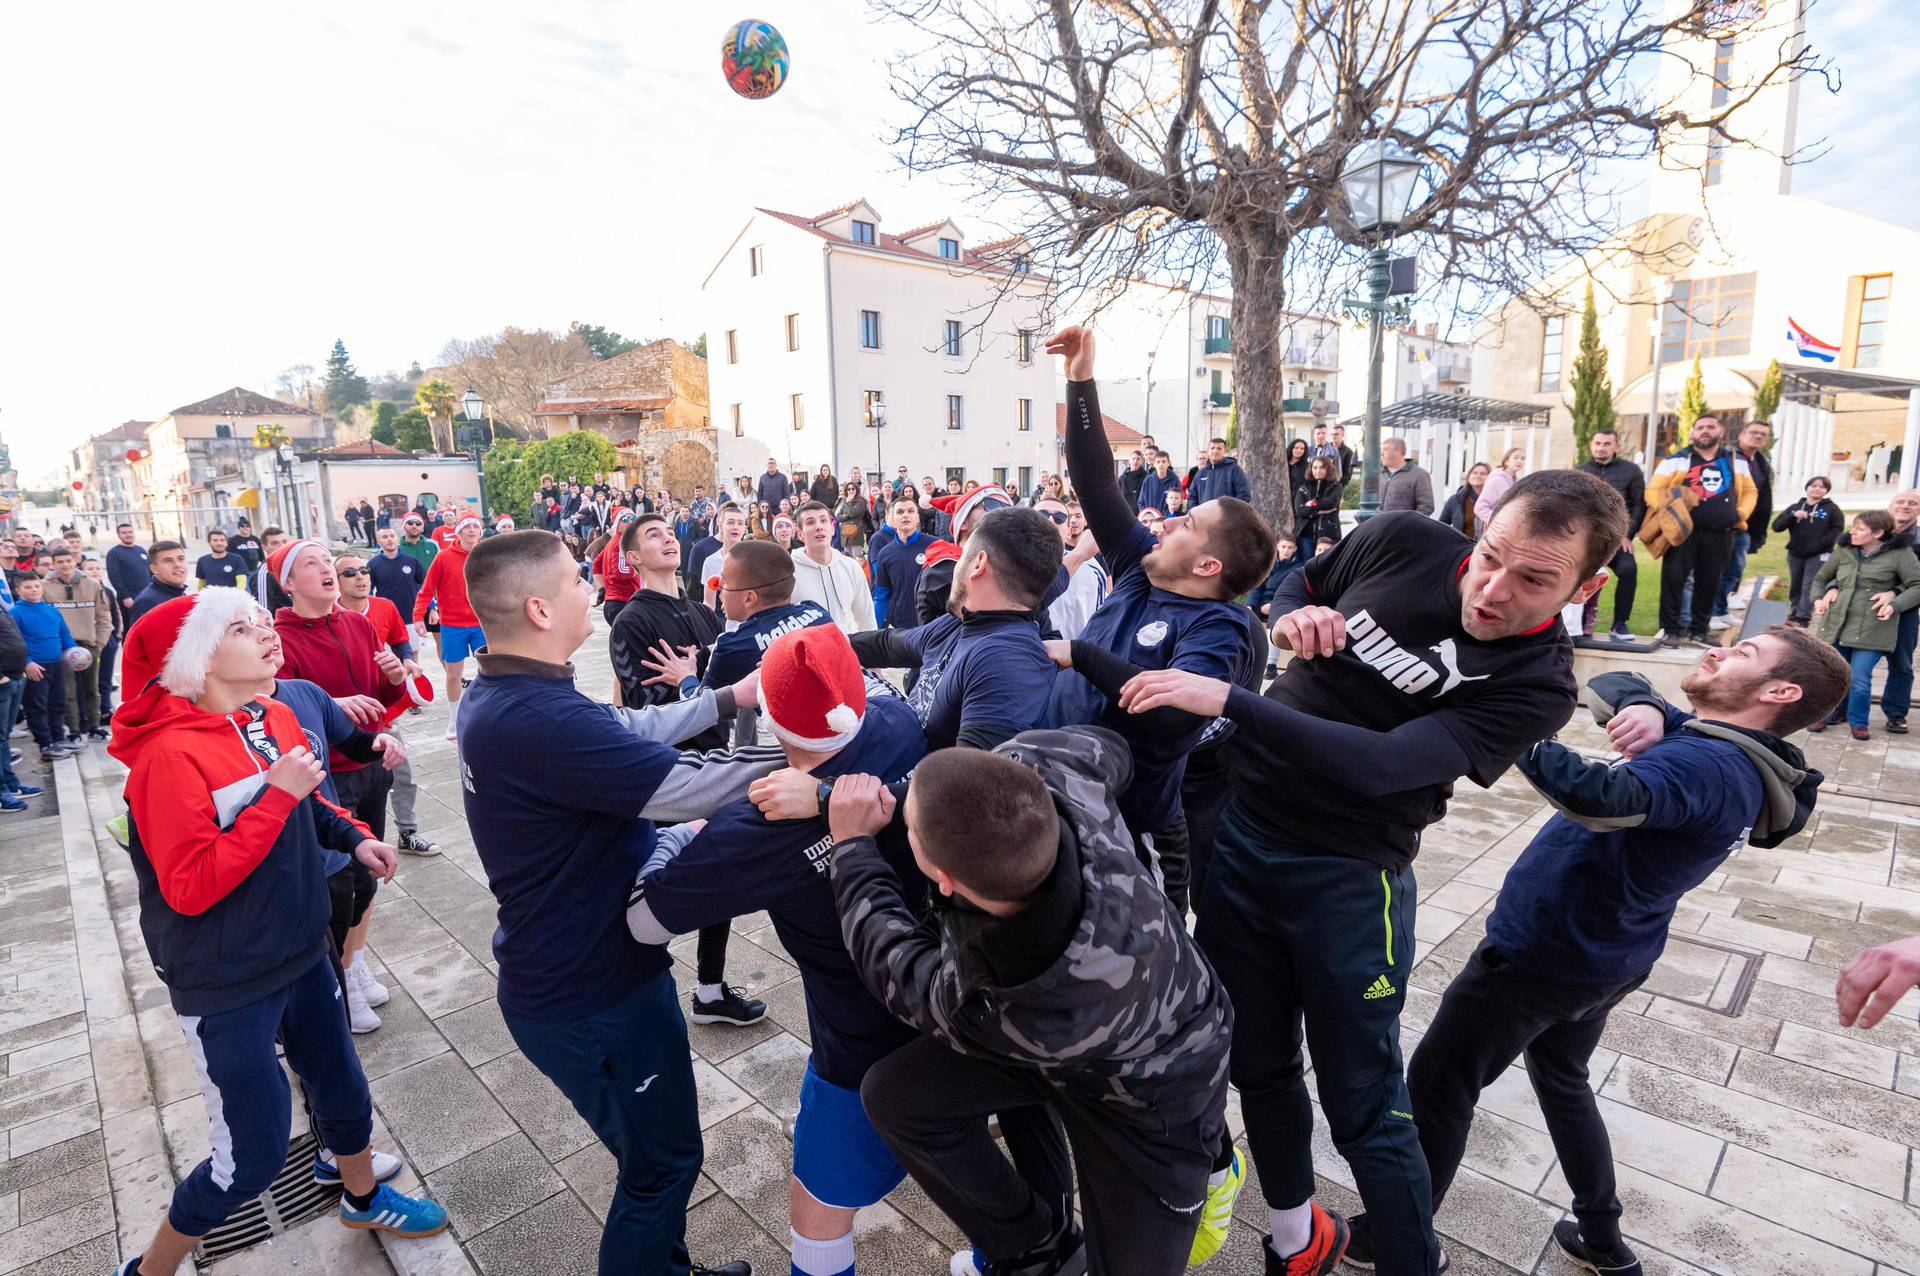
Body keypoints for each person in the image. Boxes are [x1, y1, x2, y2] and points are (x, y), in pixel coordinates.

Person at [1113, 468, 1628, 1276]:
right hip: (1243, 839)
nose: (1494, 590)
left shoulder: (1538, 684)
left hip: (1351, 879)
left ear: (1587, 586)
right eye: (1492, 557)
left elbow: (1385, 767)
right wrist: (1293, 618)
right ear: (1481, 527)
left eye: (1536, 580)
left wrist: (1231, 701)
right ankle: (1298, 1242)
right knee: (1257, 1065)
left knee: (1366, 1108)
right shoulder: (1404, 539)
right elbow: (1295, 585)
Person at [1396, 627, 1845, 1276]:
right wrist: (1651, 707)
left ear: (1780, 691)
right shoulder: (1735, 752)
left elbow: (1597, 796)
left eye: (1744, 654)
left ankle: (1399, 1243)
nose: (1720, 651)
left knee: (1438, 1088)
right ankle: (1603, 1240)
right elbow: (1615, 688)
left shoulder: (1705, 766)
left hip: (1537, 960)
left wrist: (1509, 722)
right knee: (1563, 1081)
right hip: (1607, 961)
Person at [454, 529, 776, 1276]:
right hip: (590, 991)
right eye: (574, 580)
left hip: (574, 974)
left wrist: (732, 696)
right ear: (539, 607)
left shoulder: (511, 691)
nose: (590, 587)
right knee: (662, 1165)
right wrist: (807, 754)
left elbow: (628, 727)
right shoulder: (539, 719)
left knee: (650, 1153)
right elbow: (689, 789)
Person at [107, 589, 445, 1276]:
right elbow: (191, 884)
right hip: (226, 978)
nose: (266, 635)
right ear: (194, 662)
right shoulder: (168, 759)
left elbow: (314, 799)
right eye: (238, 628)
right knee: (252, 1154)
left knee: (344, 1089)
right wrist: (277, 797)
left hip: (302, 947)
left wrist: (353, 837)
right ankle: (153, 1268)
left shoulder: (275, 713)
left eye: (262, 622)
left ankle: (362, 1195)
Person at [826, 733, 1233, 1276]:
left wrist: (851, 846)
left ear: (944, 880)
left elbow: (892, 965)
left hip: (1157, 1097)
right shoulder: (1049, 768)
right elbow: (1115, 746)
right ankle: (1035, 1249)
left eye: (908, 829)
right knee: (898, 1096)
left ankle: (1216, 1166)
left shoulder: (1005, 998)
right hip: (1082, 1034)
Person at [627, 626, 925, 1276]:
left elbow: (645, 921)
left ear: (765, 712)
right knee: (980, 1182)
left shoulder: (754, 823)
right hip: (959, 1013)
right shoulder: (903, 723)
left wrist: (687, 835)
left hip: (860, 1051)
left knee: (817, 1208)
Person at [1047, 327, 1272, 921]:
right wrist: (1081, 380)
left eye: (1187, 523)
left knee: (1144, 967)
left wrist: (1079, 654)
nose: (1169, 522)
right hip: (1064, 801)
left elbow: (1174, 715)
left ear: (1207, 565)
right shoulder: (1140, 566)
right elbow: (1095, 481)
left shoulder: (1221, 629)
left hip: (1133, 831)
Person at [606, 515, 766, 1030]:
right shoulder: (632, 621)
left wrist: (696, 680)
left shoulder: (703, 611)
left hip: (717, 762)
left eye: (668, 532)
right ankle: (636, 987)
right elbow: (647, 710)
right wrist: (691, 685)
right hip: (671, 777)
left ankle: (711, 991)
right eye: (652, 536)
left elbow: (735, 686)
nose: (667, 538)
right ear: (632, 558)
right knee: (656, 885)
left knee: (719, 879)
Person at [333, 552, 440, 859]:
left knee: (401, 773)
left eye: (364, 570)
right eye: (350, 572)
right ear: (336, 582)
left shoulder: (384, 607)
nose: (360, 576)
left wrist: (407, 658)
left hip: (383, 708)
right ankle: (351, 844)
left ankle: (407, 832)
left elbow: (399, 638)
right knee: (350, 783)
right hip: (345, 714)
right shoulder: (329, 616)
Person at [1648, 414, 1757, 648]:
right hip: (1683, 533)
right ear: (1691, 433)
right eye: (1700, 427)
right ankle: (1670, 631)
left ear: (1721, 432)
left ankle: (1699, 630)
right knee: (1673, 581)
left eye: (1710, 427)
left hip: (1721, 532)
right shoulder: (1675, 460)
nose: (1705, 431)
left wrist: (1740, 514)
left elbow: (1750, 491)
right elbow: (1653, 491)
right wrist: (1669, 513)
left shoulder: (1735, 460)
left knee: (1710, 582)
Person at [1810, 509, 1920, 740]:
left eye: (1860, 529)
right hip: (1837, 625)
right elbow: (1821, 578)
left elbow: (1916, 585)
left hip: (1872, 628)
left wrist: (1895, 603)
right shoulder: (1845, 552)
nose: (1853, 532)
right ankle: (1823, 714)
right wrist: (1819, 598)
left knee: (1860, 678)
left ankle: (1859, 722)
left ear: (1878, 533)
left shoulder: (1900, 554)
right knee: (1831, 675)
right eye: (1854, 527)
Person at [412, 516, 486, 738]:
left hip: (482, 623)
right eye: (468, 527)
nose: (472, 531)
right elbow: (427, 589)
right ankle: (454, 719)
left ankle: (486, 713)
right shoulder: (444, 557)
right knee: (454, 673)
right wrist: (418, 616)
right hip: (452, 625)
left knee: (490, 670)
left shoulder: (486, 556)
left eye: (476, 527)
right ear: (459, 532)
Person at [1577, 429, 1648, 640]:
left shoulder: (1632, 471)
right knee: (1578, 576)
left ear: (1616, 447)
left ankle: (1619, 624)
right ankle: (1578, 623)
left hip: (1618, 539)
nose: (1601, 448)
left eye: (1607, 444)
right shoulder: (1581, 471)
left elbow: (1638, 506)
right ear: (1591, 445)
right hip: (1587, 540)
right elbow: (1575, 507)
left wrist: (1625, 534)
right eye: (1597, 443)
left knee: (1628, 571)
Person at [1705, 419, 1774, 630]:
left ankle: (1722, 610)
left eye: (1763, 434)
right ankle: (1712, 613)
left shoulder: (1759, 461)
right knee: (1719, 570)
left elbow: (1761, 496)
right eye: (1753, 432)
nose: (1758, 436)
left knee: (1735, 570)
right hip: (1727, 524)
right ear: (1741, 435)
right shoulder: (1728, 457)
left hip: (1745, 526)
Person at [43, 547, 111, 743]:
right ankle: (73, 729)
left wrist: (99, 644)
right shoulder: (45, 586)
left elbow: (104, 617)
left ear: (75, 561)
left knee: (92, 689)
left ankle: (94, 725)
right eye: (60, 562)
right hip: (63, 648)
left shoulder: (92, 584)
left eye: (68, 561)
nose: (65, 565)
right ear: (54, 564)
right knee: (68, 691)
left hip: (89, 645)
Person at [13, 575, 82, 764]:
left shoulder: (51, 610)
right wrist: (27, 662)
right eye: (28, 587)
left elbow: (64, 634)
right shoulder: (15, 613)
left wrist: (74, 651)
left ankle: (58, 738)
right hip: (35, 667)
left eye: (37, 586)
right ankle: (45, 744)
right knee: (37, 708)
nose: (34, 589)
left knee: (57, 703)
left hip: (57, 664)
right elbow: (15, 642)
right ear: (18, 591)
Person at [792, 502, 877, 634]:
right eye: (810, 523)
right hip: (809, 651)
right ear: (800, 534)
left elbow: (867, 619)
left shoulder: (851, 566)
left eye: (823, 521)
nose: (818, 527)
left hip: (850, 648)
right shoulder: (789, 572)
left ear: (832, 528)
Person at [1771, 476, 1846, 626]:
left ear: (1826, 491)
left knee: (1809, 584)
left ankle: (1803, 617)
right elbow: (1776, 526)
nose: (1817, 489)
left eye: (1822, 487)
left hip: (1819, 554)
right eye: (1813, 486)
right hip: (1796, 552)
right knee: (1796, 584)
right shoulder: (1795, 507)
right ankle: (1793, 614)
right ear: (1807, 488)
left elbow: (1837, 530)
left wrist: (1820, 545)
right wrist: (1792, 517)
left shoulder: (1832, 509)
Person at [1882, 488, 1920, 734]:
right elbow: (1845, 563)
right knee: (1851, 664)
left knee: (1902, 665)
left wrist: (1895, 593)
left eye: (1912, 503)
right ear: (1891, 506)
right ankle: (1842, 708)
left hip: (1905, 612)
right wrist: (1832, 586)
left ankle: (1896, 713)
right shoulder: (1873, 532)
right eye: (1900, 502)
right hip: (1865, 611)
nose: (1905, 506)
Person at [870, 495, 934, 629]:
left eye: (910, 511)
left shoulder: (934, 545)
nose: (905, 515)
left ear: (917, 517)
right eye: (900, 512)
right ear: (892, 518)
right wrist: (877, 630)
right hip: (900, 628)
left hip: (931, 627)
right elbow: (881, 597)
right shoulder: (885, 554)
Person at [0, 602, 35, 811]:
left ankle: (11, 784)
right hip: (4, 679)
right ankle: (2, 791)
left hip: (14, 676)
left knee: (3, 738)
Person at [86, 556, 125, 717]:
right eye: (90, 568)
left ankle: (105, 707)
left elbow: (116, 614)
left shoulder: (108, 591)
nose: (95, 571)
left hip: (109, 639)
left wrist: (116, 636)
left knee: (105, 678)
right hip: (90, 641)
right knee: (91, 679)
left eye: (97, 568)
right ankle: (92, 711)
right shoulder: (84, 591)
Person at [591, 508, 641, 625]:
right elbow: (621, 572)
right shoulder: (621, 542)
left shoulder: (614, 541)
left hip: (617, 603)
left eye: (632, 518)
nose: (629, 522)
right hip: (623, 603)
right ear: (617, 523)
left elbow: (597, 563)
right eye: (624, 519)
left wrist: (602, 589)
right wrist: (641, 567)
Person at [366, 526, 425, 625]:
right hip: (386, 617)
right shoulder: (372, 564)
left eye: (392, 536)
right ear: (379, 541)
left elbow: (424, 586)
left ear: (397, 539)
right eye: (385, 537)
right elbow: (368, 590)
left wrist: (432, 608)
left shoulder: (411, 561)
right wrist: (372, 610)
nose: (389, 539)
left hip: (411, 617)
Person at [128, 541, 190, 630]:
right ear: (154, 569)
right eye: (168, 561)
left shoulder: (179, 593)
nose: (177, 564)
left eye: (181, 559)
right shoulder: (147, 603)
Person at [699, 505, 749, 615]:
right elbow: (708, 603)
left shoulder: (754, 559)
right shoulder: (710, 561)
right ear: (721, 525)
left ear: (745, 528)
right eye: (730, 522)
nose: (735, 527)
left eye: (740, 523)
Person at [1293, 456, 1342, 554]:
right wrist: (1319, 511)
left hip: (1328, 534)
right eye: (1315, 467)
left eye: (1322, 467)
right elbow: (1299, 510)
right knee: (1307, 565)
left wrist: (1311, 504)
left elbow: (1331, 503)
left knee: (1326, 565)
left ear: (1328, 469)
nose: (1318, 470)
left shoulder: (1335, 486)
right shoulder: (1304, 487)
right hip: (1306, 535)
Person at [1376, 438, 1434, 517]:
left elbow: (1426, 507)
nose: (1381, 453)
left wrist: (1406, 524)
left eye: (1385, 449)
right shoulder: (1378, 474)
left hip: (1403, 527)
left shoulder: (1419, 475)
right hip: (1378, 526)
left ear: (1398, 451)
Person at [1473, 447, 1527, 528]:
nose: (1520, 461)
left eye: (1523, 458)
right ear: (1506, 461)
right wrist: (1499, 521)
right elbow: (1480, 508)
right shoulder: (1497, 480)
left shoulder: (1518, 482)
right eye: (1516, 457)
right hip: (1488, 526)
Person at [106, 523, 149, 621]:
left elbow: (149, 571)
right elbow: (114, 576)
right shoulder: (114, 553)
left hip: (146, 595)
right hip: (130, 598)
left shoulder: (141, 550)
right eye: (124, 533)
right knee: (131, 625)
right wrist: (125, 597)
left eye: (130, 532)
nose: (128, 534)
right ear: (119, 535)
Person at [1191, 437, 1252, 506]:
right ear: (1208, 451)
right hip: (1204, 516)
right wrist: (1195, 513)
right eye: (1212, 448)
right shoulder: (1200, 474)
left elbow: (1244, 495)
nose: (1215, 451)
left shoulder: (1234, 470)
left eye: (1219, 448)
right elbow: (1192, 497)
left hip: (1227, 516)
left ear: (1224, 451)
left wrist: (1232, 513)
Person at [1437, 461, 1489, 541]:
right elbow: (1441, 526)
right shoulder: (1455, 500)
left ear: (1490, 478)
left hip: (1486, 549)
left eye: (1483, 473)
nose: (1478, 476)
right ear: (1468, 477)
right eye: (1475, 473)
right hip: (1461, 548)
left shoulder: (1494, 502)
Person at [251, 527, 294, 613]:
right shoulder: (264, 574)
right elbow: (264, 614)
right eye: (275, 543)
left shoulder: (294, 567)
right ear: (264, 547)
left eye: (284, 542)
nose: (282, 546)